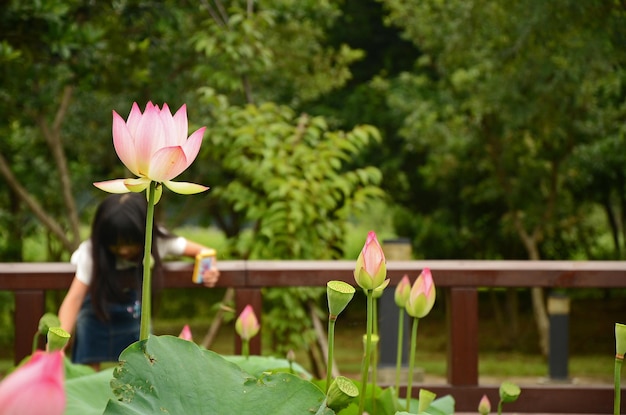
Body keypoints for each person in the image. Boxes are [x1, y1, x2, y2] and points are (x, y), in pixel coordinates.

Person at [58, 193, 220, 370]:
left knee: (141, 363)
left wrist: (208, 271)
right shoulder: (91, 252)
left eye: (131, 242)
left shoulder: (157, 240)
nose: (124, 250)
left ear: (144, 232)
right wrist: (59, 344)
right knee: (86, 375)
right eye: (115, 244)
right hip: (96, 310)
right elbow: (74, 298)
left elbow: (204, 252)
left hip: (132, 312)